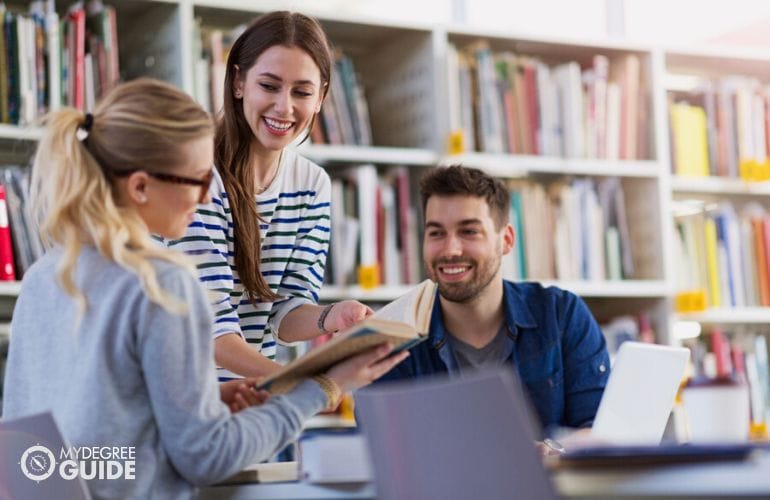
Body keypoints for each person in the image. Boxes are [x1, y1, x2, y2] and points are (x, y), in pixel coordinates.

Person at [1, 78, 407, 499]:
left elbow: (55, 441)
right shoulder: (164, 283)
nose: (210, 195)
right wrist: (317, 390)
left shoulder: (44, 277)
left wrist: (201, 397)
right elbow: (206, 457)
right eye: (197, 180)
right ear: (140, 186)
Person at [167, 11, 371, 380]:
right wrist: (297, 386)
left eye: (302, 92)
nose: (284, 107)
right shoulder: (195, 174)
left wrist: (331, 317)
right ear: (238, 82)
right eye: (270, 86)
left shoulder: (312, 185)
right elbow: (211, 330)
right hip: (179, 402)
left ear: (322, 96)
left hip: (251, 402)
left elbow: (284, 312)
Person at [377, 165, 610, 433]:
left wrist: (549, 452)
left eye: (469, 232)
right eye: (436, 233)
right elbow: (386, 450)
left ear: (506, 240)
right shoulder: (394, 336)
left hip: (547, 476)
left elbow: (598, 430)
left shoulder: (561, 315)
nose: (450, 250)